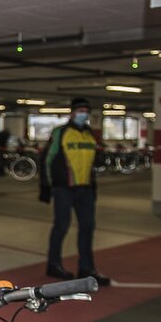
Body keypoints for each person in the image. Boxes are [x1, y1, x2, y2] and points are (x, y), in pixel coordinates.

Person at [38, 98, 110, 286]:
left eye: (86, 111)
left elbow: (94, 161)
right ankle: (53, 264)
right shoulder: (61, 133)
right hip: (64, 188)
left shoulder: (89, 135)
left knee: (87, 227)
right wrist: (46, 185)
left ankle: (87, 269)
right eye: (80, 110)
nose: (83, 114)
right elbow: (47, 159)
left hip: (85, 189)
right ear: (72, 112)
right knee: (61, 226)